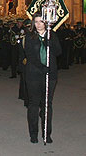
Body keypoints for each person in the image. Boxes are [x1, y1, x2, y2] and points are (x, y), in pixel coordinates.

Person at [22, 14, 62, 144]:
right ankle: (33, 133)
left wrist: (50, 42)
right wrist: (41, 67)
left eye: (41, 21)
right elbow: (30, 55)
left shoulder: (52, 35)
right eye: (36, 22)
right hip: (34, 74)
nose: (39, 24)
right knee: (34, 104)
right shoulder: (29, 36)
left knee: (47, 104)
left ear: (46, 22)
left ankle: (47, 133)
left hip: (50, 75)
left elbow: (58, 52)